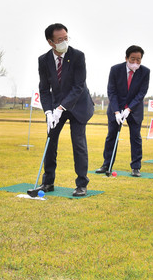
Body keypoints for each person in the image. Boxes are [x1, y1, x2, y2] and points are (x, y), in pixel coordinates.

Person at [36, 23, 95, 197]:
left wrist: (61, 108)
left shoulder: (77, 56)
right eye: (60, 39)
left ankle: (81, 184)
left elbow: (78, 86)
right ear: (50, 42)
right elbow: (44, 89)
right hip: (55, 106)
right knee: (51, 141)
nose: (64, 41)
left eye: (66, 38)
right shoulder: (43, 60)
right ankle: (48, 182)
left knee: (78, 143)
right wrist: (48, 112)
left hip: (79, 105)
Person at [95, 45, 150, 177]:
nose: (135, 63)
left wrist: (129, 109)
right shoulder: (115, 69)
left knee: (135, 137)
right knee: (111, 136)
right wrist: (117, 112)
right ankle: (106, 164)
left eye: (138, 60)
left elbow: (141, 93)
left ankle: (136, 167)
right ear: (126, 58)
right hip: (116, 108)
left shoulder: (145, 72)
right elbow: (111, 91)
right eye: (132, 59)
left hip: (134, 109)